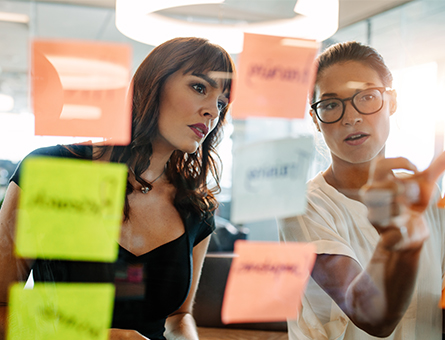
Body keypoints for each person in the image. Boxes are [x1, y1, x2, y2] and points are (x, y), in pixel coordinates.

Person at [0, 37, 235, 340]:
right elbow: (3, 307)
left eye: (221, 103)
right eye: (199, 87)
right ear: (153, 84)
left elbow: (179, 316)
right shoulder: (50, 170)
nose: (212, 112)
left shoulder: (196, 208)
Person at [278, 41, 445, 340]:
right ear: (315, 119)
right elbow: (372, 317)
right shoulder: (303, 206)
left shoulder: (429, 197)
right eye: (330, 104)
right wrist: (399, 238)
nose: (350, 117)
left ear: (391, 101)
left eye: (367, 97)